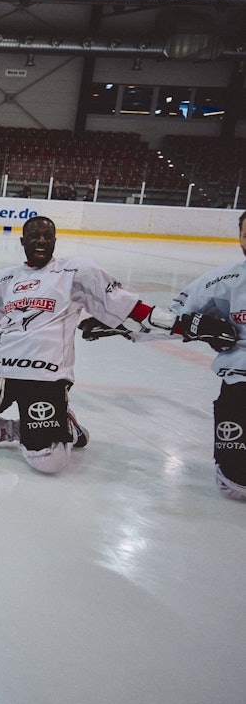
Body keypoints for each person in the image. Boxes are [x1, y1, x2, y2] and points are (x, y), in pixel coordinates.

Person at [0, 215, 234, 475]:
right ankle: (17, 429)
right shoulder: (6, 278)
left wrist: (183, 325)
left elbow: (127, 307)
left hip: (45, 373)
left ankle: (66, 426)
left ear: (55, 241)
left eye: (47, 236)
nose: (41, 241)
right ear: (22, 241)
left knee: (49, 461)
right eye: (34, 236)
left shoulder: (75, 271)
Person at [78, 212, 243, 498]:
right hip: (240, 381)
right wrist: (122, 326)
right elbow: (175, 319)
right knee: (237, 481)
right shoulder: (224, 281)